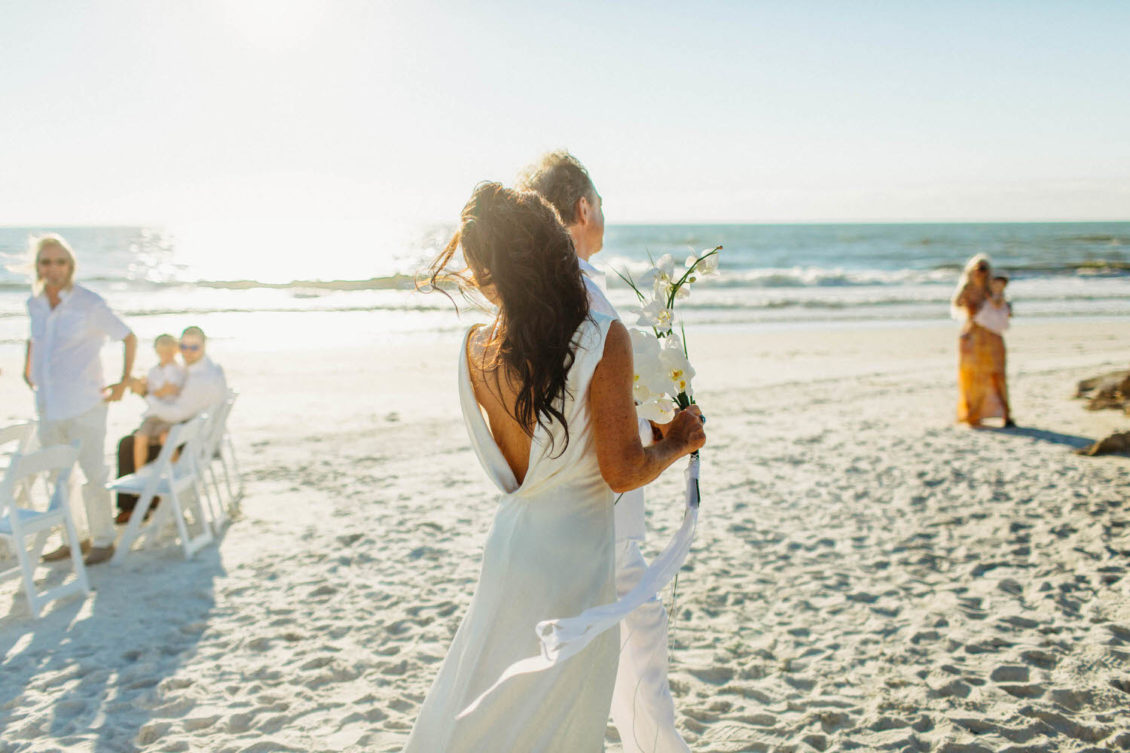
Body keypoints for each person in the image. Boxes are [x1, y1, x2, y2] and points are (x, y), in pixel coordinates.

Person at [403, 183, 705, 752]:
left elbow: (541, 456)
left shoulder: (474, 349)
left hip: (511, 552)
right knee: (560, 721)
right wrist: (676, 444)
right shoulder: (600, 339)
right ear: (549, 249)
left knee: (482, 703)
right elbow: (620, 472)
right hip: (573, 566)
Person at [519, 150, 690, 753]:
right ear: (584, 207)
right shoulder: (590, 300)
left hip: (546, 519)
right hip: (604, 519)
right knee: (642, 666)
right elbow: (611, 441)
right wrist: (675, 438)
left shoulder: (530, 304)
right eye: (602, 205)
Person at [23, 234, 138, 566]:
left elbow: (128, 337)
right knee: (58, 477)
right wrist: (26, 367)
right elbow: (34, 339)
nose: (53, 268)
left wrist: (124, 381)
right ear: (38, 266)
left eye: (60, 262)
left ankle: (103, 539)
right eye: (46, 262)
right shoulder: (35, 302)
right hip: (47, 404)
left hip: (86, 404)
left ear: (71, 266)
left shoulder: (89, 303)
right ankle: (73, 538)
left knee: (92, 474)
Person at [116, 325, 227, 522]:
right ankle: (144, 503)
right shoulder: (206, 369)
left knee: (128, 445)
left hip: (190, 445)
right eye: (184, 347)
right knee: (136, 438)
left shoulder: (200, 378)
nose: (188, 352)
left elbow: (174, 414)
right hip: (201, 437)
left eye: (194, 348)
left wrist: (144, 393)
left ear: (204, 346)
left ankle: (137, 506)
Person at [952, 254, 1009, 427]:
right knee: (971, 375)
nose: (980, 273)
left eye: (984, 269)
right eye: (977, 269)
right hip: (972, 335)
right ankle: (972, 413)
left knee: (996, 374)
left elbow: (1002, 306)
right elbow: (958, 304)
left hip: (991, 335)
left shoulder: (993, 289)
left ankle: (1005, 414)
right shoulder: (966, 289)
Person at [130, 333, 186, 475]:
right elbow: (157, 391)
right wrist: (149, 389)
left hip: (169, 415)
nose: (165, 355)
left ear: (176, 351)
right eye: (161, 352)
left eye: (169, 352)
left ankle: (176, 472)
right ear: (156, 351)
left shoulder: (178, 370)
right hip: (154, 415)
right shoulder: (153, 371)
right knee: (140, 438)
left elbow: (169, 389)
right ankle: (139, 472)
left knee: (166, 438)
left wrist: (151, 392)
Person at [974, 274, 1014, 427]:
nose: (998, 287)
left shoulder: (1003, 300)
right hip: (983, 338)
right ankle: (979, 413)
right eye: (995, 284)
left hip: (996, 338)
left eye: (1001, 284)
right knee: (981, 375)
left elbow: (1002, 312)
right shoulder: (984, 299)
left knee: (998, 375)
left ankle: (1004, 414)